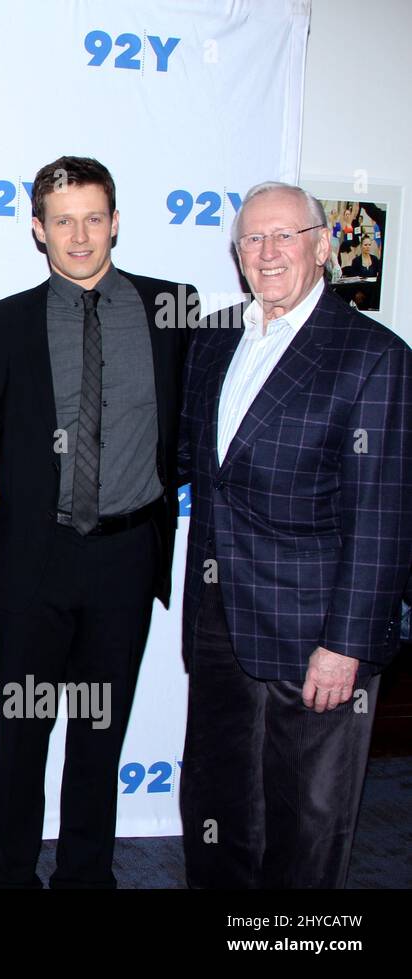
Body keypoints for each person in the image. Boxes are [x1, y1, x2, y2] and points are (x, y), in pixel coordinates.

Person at [0, 156, 196, 888]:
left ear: (117, 221)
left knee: (100, 738)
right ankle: (5, 878)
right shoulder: (3, 323)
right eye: (62, 220)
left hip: (125, 558)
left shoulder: (174, 309)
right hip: (35, 561)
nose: (79, 234)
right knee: (22, 734)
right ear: (38, 228)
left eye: (93, 217)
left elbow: (199, 428)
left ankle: (86, 878)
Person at [178, 181, 412, 889]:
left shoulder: (370, 354)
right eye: (252, 239)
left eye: (285, 236)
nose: (268, 251)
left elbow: (385, 515)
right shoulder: (214, 337)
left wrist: (347, 643)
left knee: (306, 821)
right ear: (237, 253)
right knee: (216, 803)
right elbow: (200, 468)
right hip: (218, 620)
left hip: (317, 632)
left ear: (321, 246)